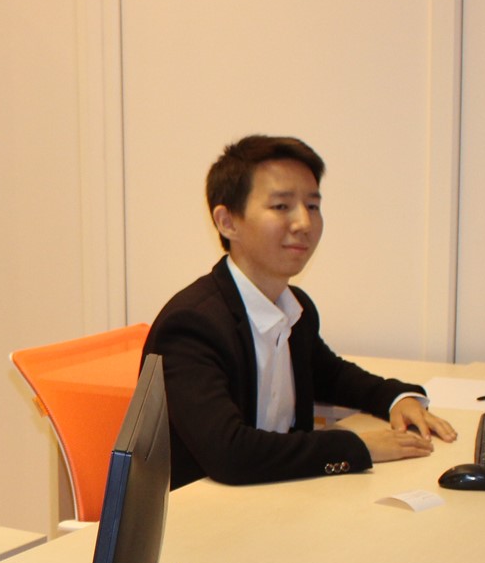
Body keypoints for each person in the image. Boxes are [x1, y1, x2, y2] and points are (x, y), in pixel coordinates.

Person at [142, 135, 455, 489]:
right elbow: (230, 454)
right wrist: (358, 447)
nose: (304, 222)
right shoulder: (192, 326)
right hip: (202, 511)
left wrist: (397, 398)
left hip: (280, 495)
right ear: (227, 222)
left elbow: (332, 376)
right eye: (281, 206)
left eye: (312, 206)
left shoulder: (293, 307)